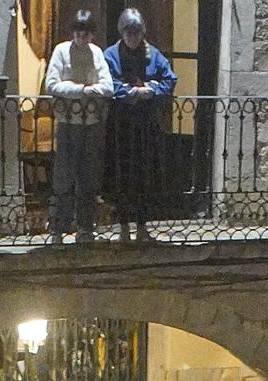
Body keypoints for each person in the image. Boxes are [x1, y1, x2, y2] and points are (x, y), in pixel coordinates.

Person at [104, 7, 176, 246]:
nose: (132, 37)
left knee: (145, 175)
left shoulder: (153, 55)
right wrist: (130, 92)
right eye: (128, 32)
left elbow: (169, 79)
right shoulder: (111, 55)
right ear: (122, 32)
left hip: (146, 125)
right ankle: (123, 226)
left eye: (136, 33)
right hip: (121, 125)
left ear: (142, 33)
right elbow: (108, 83)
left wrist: (152, 90)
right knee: (122, 176)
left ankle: (143, 226)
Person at [43, 10, 113, 244]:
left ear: (92, 35)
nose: (81, 37)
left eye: (86, 34)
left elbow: (108, 86)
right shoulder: (62, 51)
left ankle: (85, 227)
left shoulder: (97, 53)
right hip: (68, 122)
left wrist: (88, 90)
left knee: (88, 176)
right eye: (78, 33)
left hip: (91, 123)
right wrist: (81, 90)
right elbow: (51, 85)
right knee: (63, 176)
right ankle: (57, 228)